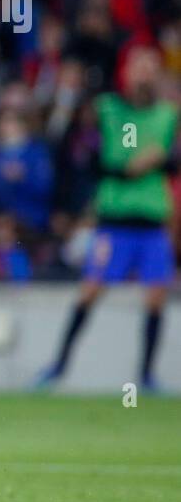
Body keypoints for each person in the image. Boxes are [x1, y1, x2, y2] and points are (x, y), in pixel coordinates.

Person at [36, 46, 177, 390]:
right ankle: (57, 366)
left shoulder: (168, 115)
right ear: (126, 72)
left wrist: (160, 162)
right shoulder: (107, 109)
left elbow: (173, 161)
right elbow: (80, 153)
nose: (143, 74)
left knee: (156, 298)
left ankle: (145, 376)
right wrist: (131, 168)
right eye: (138, 66)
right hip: (113, 220)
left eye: (149, 67)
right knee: (89, 292)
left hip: (152, 221)